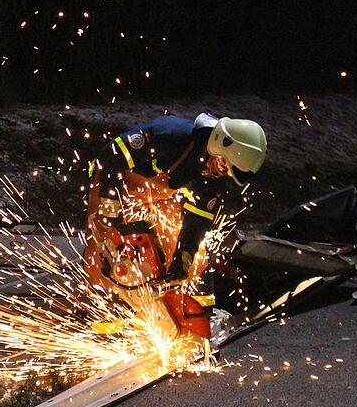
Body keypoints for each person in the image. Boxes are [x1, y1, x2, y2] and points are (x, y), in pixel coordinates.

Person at [85, 112, 267, 289]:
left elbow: (198, 220)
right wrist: (113, 218)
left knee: (190, 257)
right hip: (113, 185)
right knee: (106, 244)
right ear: (218, 143)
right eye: (222, 164)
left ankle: (159, 299)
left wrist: (183, 258)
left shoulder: (214, 179)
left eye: (228, 171)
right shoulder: (171, 135)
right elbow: (110, 158)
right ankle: (97, 291)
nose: (221, 172)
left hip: (158, 196)